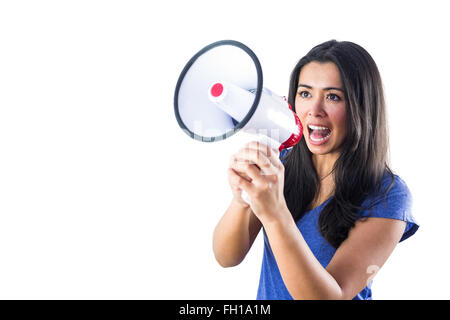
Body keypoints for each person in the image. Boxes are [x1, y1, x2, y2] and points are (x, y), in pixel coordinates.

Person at [212, 40, 419, 300]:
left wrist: (276, 214)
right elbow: (226, 257)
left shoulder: (388, 195)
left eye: (333, 97)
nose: (314, 111)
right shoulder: (281, 166)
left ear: (361, 106)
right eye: (305, 94)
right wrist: (241, 200)